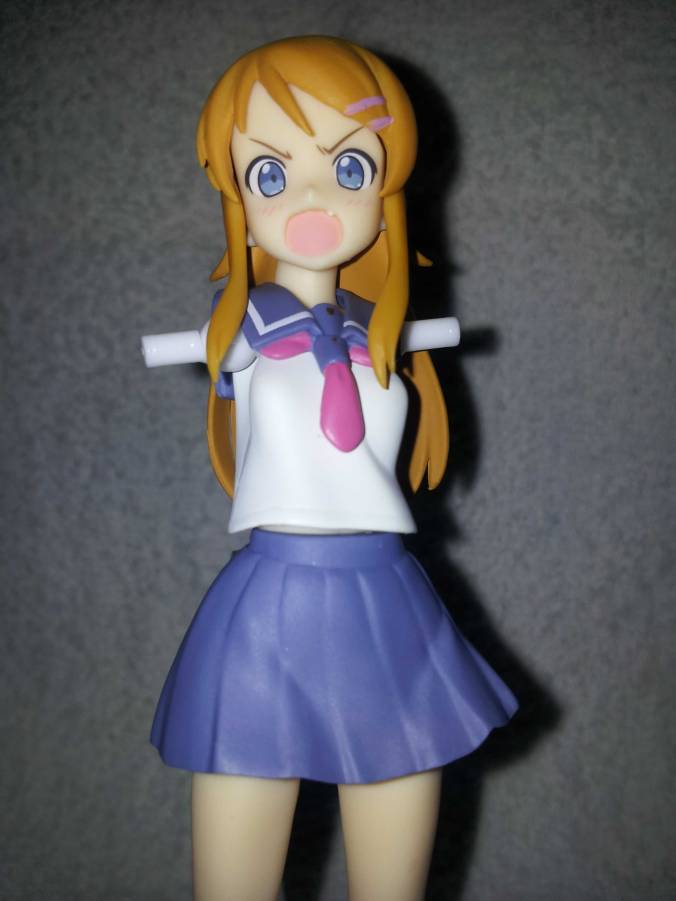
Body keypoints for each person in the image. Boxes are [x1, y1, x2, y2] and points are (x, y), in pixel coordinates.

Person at [147, 35, 517, 901]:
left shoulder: (382, 336)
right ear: (236, 194)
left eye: (348, 167)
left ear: (388, 188)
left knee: (393, 877)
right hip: (267, 609)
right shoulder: (243, 332)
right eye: (271, 173)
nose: (311, 197)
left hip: (387, 601)